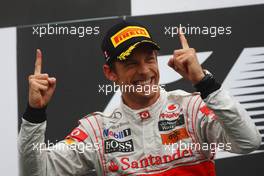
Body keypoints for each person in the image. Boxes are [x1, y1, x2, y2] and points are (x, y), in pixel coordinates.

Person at [18, 21, 261, 176]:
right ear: (110, 73)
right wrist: (34, 115)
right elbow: (39, 172)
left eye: (149, 59)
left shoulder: (191, 109)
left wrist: (206, 83)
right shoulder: (97, 131)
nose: (144, 71)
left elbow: (248, 142)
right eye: (131, 63)